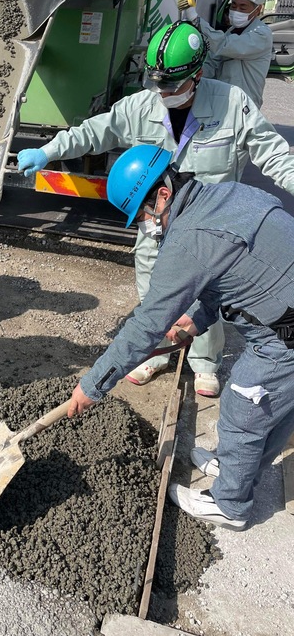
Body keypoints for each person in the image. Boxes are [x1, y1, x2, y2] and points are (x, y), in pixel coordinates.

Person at [17, 20, 294, 398]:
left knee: (209, 296)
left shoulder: (232, 104)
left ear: (197, 75)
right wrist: (48, 150)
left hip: (212, 234)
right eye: (158, 83)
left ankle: (204, 364)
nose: (163, 92)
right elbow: (94, 131)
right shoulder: (141, 106)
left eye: (172, 85)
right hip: (158, 227)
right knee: (154, 296)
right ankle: (155, 354)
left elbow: (275, 155)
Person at [68, 144, 294, 531]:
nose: (144, 223)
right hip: (281, 309)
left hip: (284, 332)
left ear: (164, 193)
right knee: (274, 406)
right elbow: (230, 273)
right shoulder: (223, 195)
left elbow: (146, 325)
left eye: (142, 212)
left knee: (246, 405)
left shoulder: (187, 239)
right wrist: (196, 321)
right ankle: (238, 468)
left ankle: (230, 505)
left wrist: (92, 385)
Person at [183, 0, 272, 107]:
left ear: (258, 10)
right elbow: (214, 61)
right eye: (234, 5)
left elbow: (224, 45)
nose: (236, 10)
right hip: (223, 99)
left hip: (244, 103)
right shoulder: (232, 30)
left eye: (243, 7)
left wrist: (198, 21)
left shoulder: (262, 34)